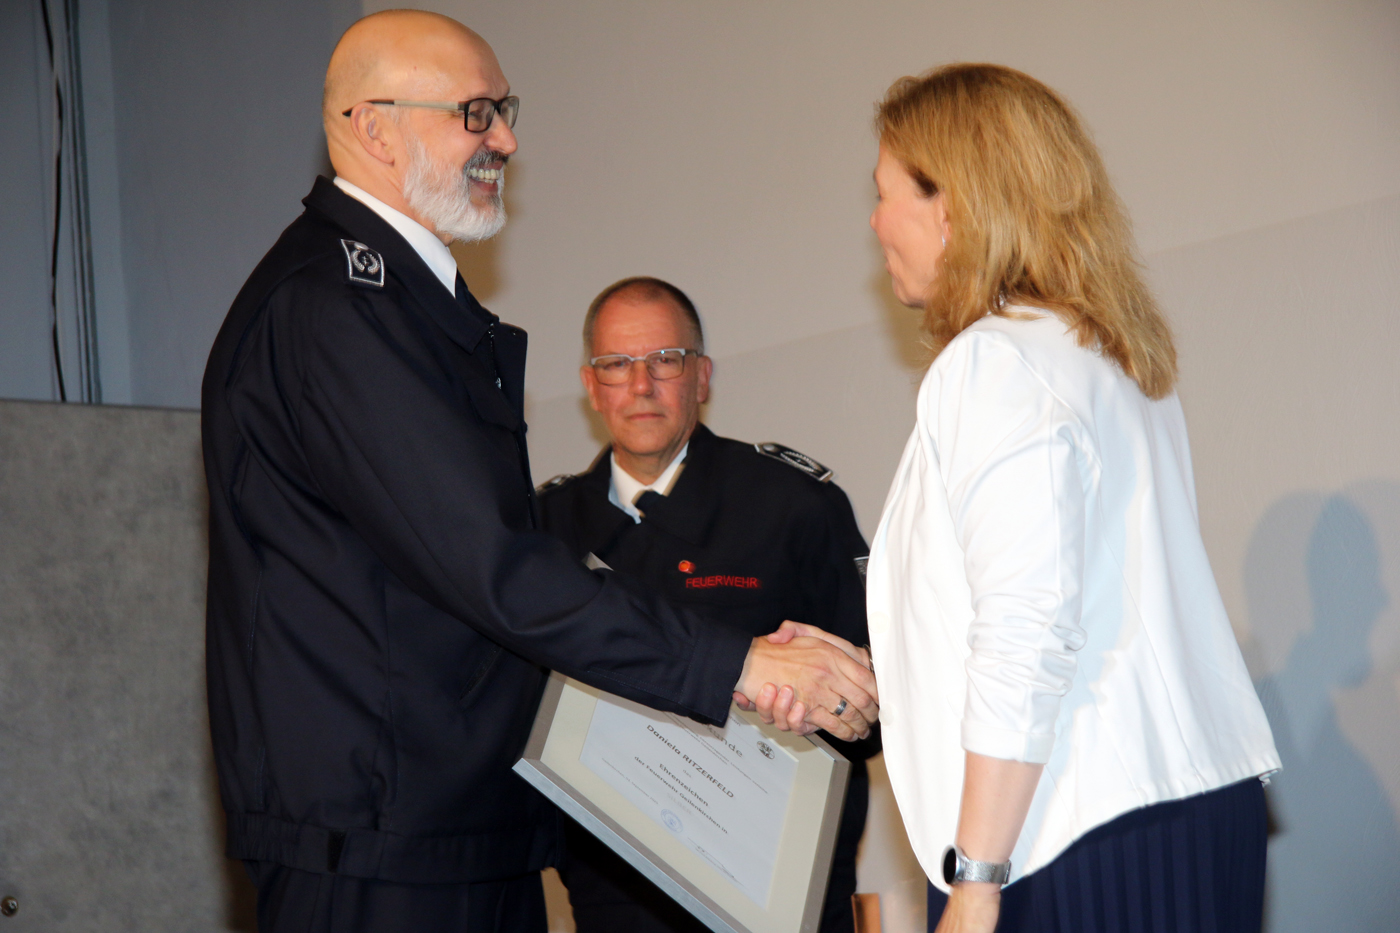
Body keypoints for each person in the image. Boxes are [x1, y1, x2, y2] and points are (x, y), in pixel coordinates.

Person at [200, 11, 876, 933]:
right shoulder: (335, 308)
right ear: (374, 128)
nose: (506, 141)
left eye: (504, 111)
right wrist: (740, 660)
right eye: (475, 113)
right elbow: (490, 564)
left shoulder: (398, 300)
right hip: (382, 843)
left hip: (450, 826)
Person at [859, 64, 1282, 932]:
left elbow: (1027, 624)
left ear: (953, 207)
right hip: (1177, 809)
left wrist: (976, 879)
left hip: (1061, 833)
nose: (874, 224)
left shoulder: (994, 362)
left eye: (884, 195)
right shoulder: (1109, 355)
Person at [536, 277, 880, 933]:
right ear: (591, 385)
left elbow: (876, 705)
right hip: (614, 896)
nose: (641, 385)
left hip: (774, 893)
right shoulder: (542, 530)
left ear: (702, 376)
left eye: (665, 360)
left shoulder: (791, 506)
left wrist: (821, 706)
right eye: (617, 364)